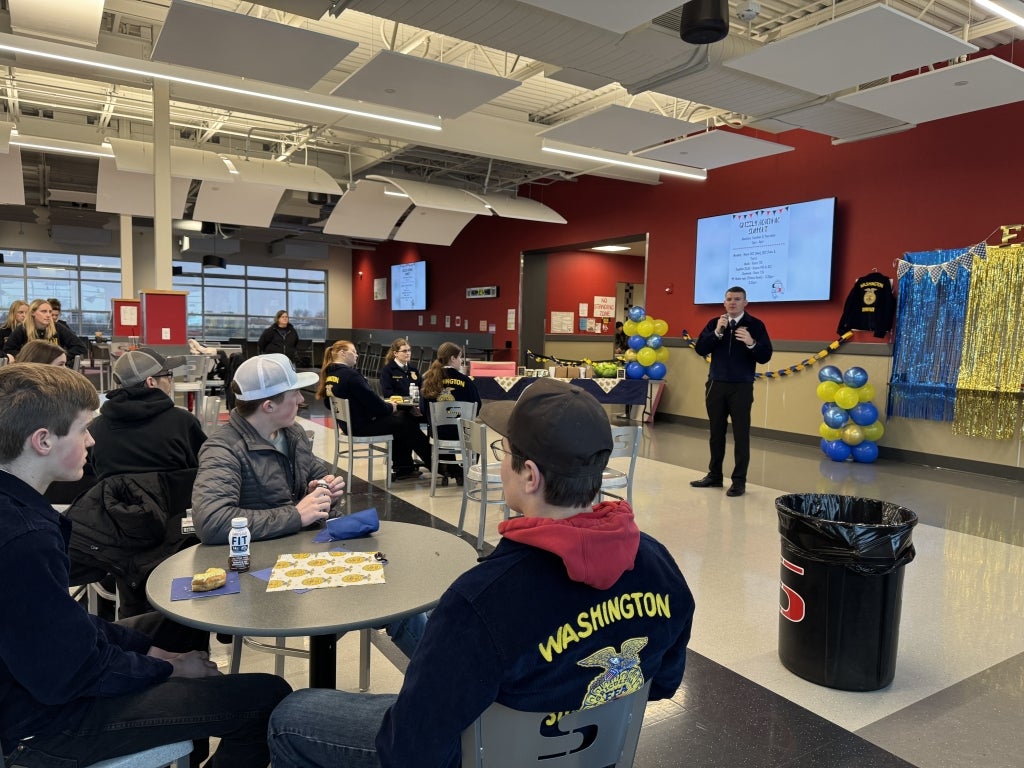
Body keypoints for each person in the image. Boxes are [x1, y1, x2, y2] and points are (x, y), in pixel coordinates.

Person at [267, 378, 695, 768]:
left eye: (503, 451)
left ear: (530, 475)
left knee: (290, 716)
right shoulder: (660, 567)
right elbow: (661, 685)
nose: (501, 460)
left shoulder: (482, 598)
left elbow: (410, 752)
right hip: (590, 751)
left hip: (483, 755)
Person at [0, 363, 291, 768]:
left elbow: (60, 626)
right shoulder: (23, 537)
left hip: (41, 677)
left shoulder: (19, 510)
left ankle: (191, 725)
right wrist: (165, 668)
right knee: (267, 696)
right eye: (83, 429)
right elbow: (69, 671)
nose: (90, 441)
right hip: (37, 726)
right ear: (43, 441)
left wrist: (160, 654)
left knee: (179, 618)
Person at [191, 353, 344, 544]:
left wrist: (323, 491)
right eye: (294, 392)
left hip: (301, 547)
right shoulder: (222, 449)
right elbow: (211, 522)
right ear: (269, 406)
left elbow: (314, 481)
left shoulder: (294, 434)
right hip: (258, 560)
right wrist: (295, 515)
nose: (300, 399)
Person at [690, 286, 773, 498]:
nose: (732, 302)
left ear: (745, 303)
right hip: (716, 384)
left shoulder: (755, 325)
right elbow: (700, 349)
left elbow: (765, 356)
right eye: (729, 299)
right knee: (716, 433)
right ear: (724, 303)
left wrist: (751, 343)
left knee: (741, 435)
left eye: (737, 299)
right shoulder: (714, 323)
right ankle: (714, 475)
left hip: (741, 386)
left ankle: (739, 481)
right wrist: (717, 332)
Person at [318, 340, 432, 482]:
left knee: (401, 420)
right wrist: (392, 406)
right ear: (342, 353)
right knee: (405, 421)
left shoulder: (332, 375)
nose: (356, 355)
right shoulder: (351, 376)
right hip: (361, 426)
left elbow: (328, 404)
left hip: (349, 425)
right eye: (353, 352)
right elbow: (378, 408)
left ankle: (405, 467)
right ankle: (436, 463)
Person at [88, 348, 206, 480]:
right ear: (151, 382)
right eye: (168, 375)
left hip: (112, 500)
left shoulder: (95, 430)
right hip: (174, 500)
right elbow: (207, 468)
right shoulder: (183, 423)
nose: (170, 380)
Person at [420, 342, 481, 484]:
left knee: (443, 431)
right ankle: (466, 473)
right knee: (477, 436)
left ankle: (450, 469)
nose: (461, 361)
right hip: (463, 433)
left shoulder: (429, 380)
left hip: (437, 434)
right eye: (460, 358)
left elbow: (424, 410)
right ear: (453, 358)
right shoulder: (466, 382)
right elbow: (476, 407)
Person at [3, 299, 87, 362]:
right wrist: (29, 358)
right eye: (43, 311)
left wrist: (60, 356)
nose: (48, 315)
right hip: (31, 370)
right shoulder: (23, 329)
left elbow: (80, 347)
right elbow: (8, 350)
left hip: (55, 369)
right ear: (33, 313)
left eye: (50, 312)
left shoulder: (58, 327)